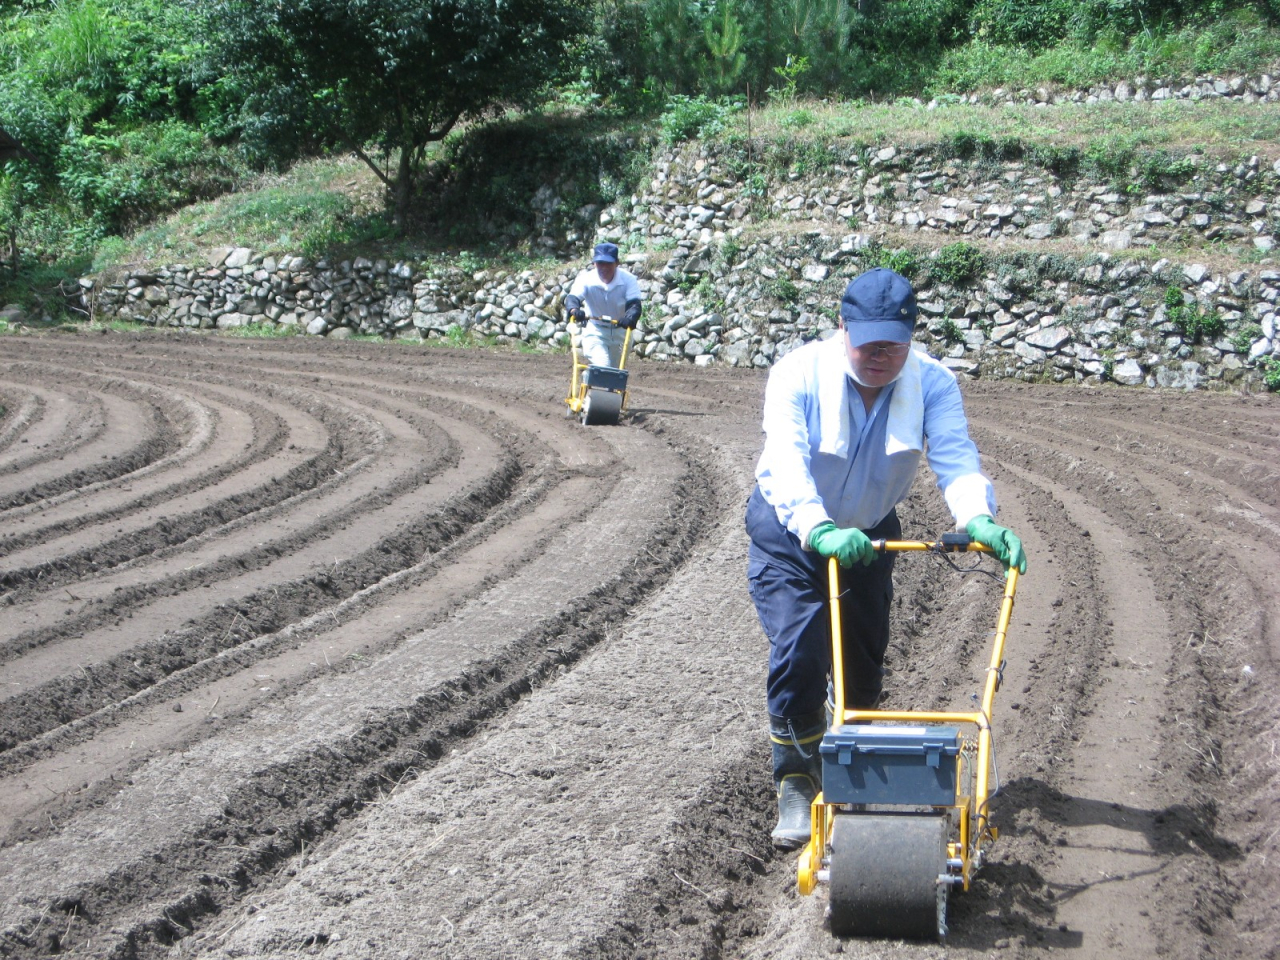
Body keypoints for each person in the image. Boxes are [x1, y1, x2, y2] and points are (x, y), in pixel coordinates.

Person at [745, 267, 1027, 851]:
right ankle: (796, 777)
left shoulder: (932, 383)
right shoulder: (797, 373)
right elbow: (787, 459)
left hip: (870, 534)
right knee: (801, 644)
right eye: (868, 340)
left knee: (863, 663)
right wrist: (817, 527)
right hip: (792, 528)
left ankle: (854, 763)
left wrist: (977, 518)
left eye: (893, 344)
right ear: (842, 326)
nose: (879, 354)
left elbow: (954, 456)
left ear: (910, 337)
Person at [564, 242, 642, 368]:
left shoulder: (628, 280)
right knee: (603, 365)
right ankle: (593, 381)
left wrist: (630, 318)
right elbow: (573, 298)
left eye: (609, 263)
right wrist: (574, 310)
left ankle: (596, 381)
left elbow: (634, 305)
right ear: (594, 263)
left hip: (621, 333)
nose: (604, 267)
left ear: (617, 263)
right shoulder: (586, 279)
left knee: (615, 372)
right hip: (595, 331)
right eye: (600, 263)